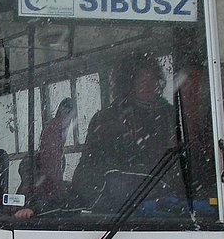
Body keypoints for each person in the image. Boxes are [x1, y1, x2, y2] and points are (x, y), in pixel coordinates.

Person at [71, 55, 180, 209]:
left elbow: (177, 162)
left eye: (153, 79)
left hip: (164, 202)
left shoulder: (170, 114)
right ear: (128, 84)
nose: (149, 85)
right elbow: (89, 166)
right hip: (118, 209)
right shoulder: (106, 118)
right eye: (142, 81)